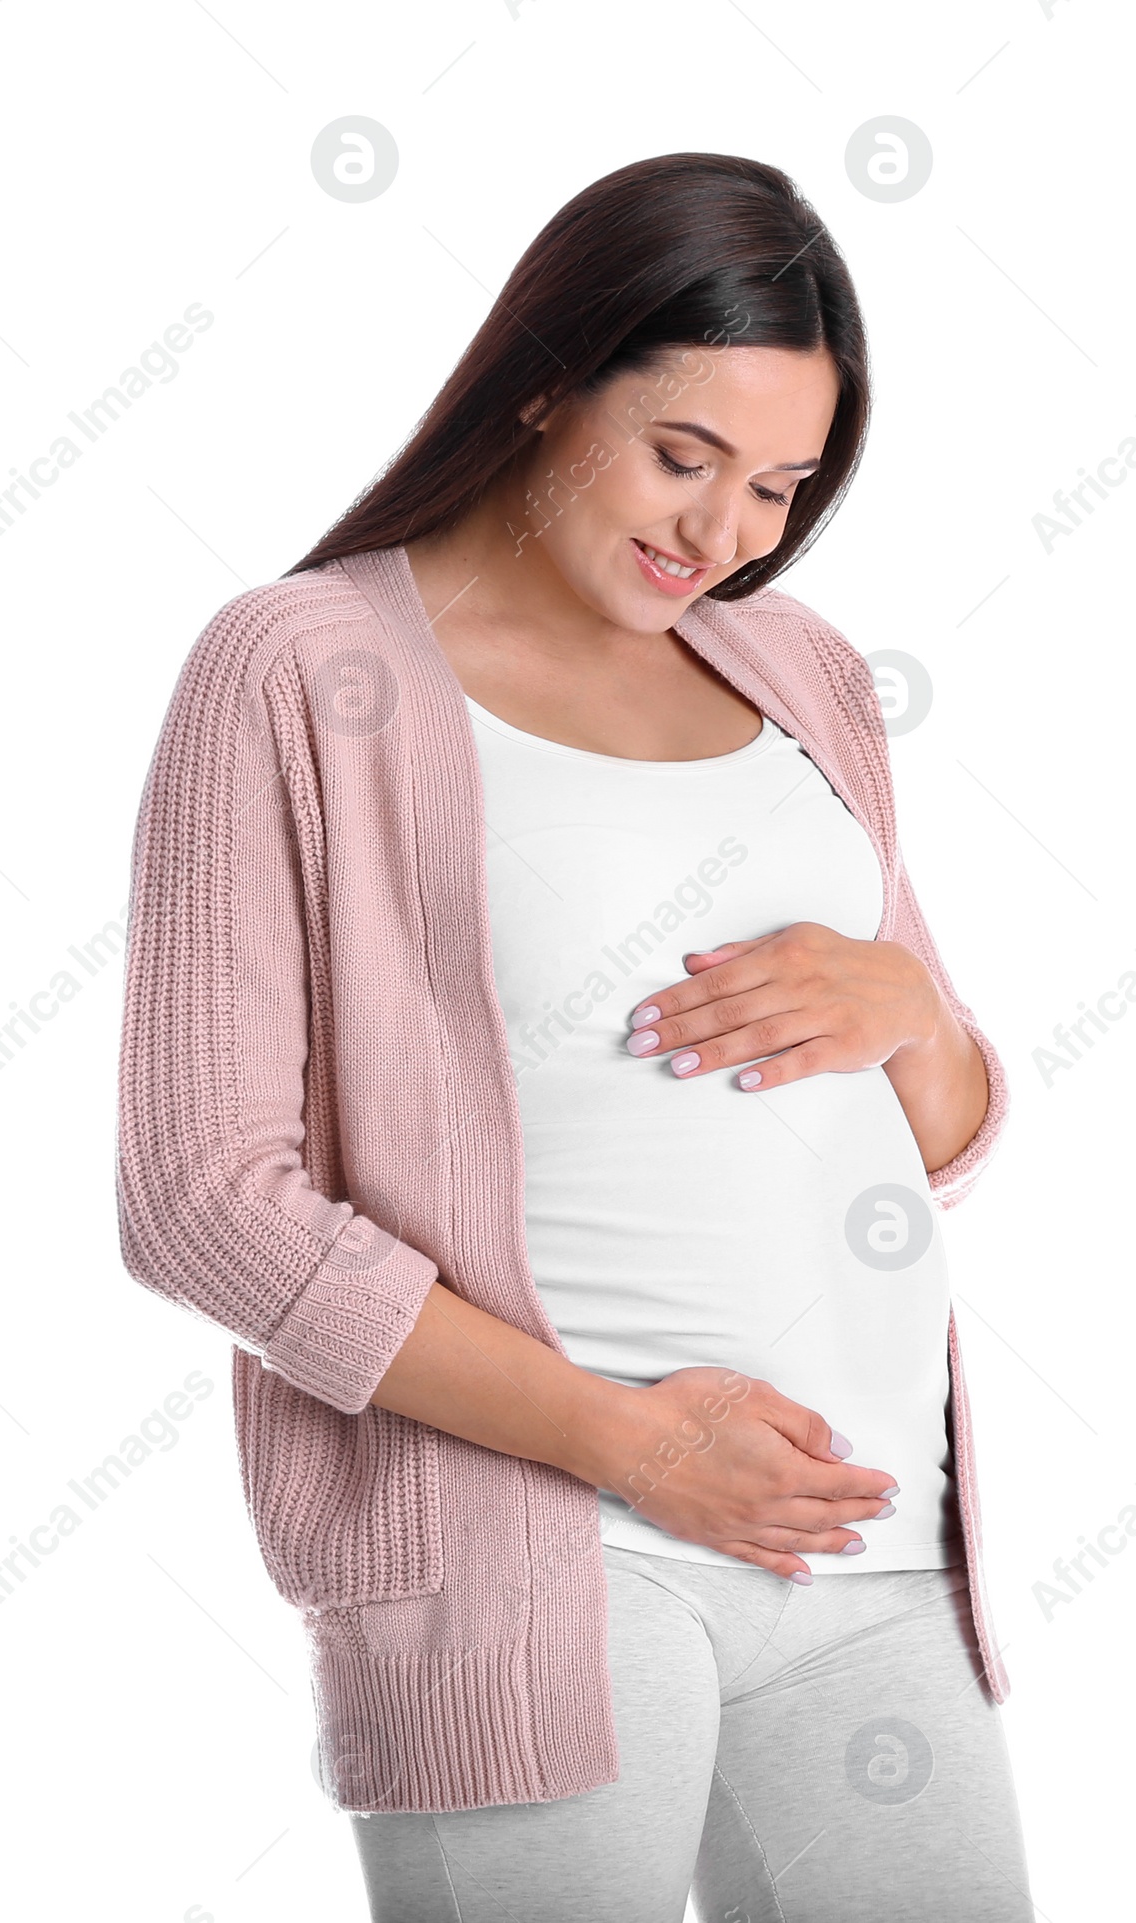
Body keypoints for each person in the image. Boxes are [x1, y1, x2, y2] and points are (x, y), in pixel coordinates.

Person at [115, 151, 1032, 1921]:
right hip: (546, 1555)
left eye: (776, 486)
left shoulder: (801, 671)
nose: (722, 537)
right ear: (544, 378)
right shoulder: (300, 670)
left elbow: (945, 1137)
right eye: (682, 458)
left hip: (870, 1543)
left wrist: (913, 1012)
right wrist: (625, 1441)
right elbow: (200, 1199)